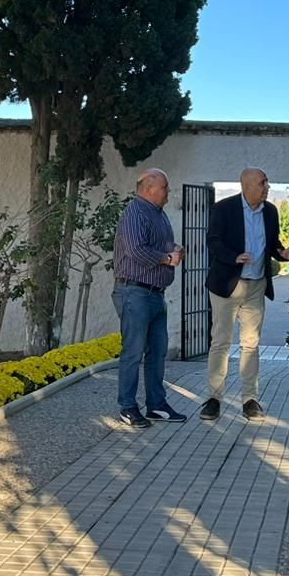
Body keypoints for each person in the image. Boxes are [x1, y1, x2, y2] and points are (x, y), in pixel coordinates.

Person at [201, 168, 289, 421]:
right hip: (227, 285)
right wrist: (233, 257)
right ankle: (213, 398)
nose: (267, 187)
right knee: (220, 342)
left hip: (256, 285)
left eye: (267, 183)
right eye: (262, 183)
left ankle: (250, 400)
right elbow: (213, 241)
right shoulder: (224, 209)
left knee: (250, 344)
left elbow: (273, 244)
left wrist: (284, 255)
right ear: (245, 186)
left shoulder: (270, 211)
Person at [110, 168, 189, 429]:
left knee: (157, 352)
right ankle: (128, 407)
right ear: (149, 188)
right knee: (133, 352)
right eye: (165, 187)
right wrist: (167, 258)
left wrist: (175, 251)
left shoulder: (158, 214)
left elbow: (157, 247)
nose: (168, 191)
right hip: (135, 292)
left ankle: (156, 404)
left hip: (155, 294)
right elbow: (135, 249)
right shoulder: (135, 211)